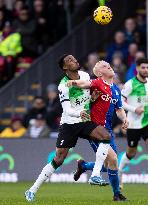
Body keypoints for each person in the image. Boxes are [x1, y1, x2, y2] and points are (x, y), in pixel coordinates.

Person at [25, 55, 112, 202]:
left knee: (106, 136)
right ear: (65, 67)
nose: (75, 60)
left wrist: (92, 99)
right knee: (59, 159)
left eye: (74, 58)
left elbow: (86, 95)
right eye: (70, 60)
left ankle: (95, 175)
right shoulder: (63, 86)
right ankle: (32, 189)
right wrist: (80, 112)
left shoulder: (84, 75)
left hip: (84, 121)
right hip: (69, 124)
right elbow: (67, 109)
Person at [67, 60, 128, 201]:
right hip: (95, 129)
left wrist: (124, 118)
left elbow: (119, 109)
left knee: (111, 165)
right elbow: (85, 84)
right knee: (112, 159)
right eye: (105, 66)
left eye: (109, 65)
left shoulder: (116, 89)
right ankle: (117, 194)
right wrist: (73, 83)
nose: (110, 67)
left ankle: (84, 166)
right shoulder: (98, 82)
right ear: (100, 72)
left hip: (108, 131)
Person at [118, 58, 148, 191]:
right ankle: (119, 172)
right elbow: (120, 102)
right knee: (131, 153)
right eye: (143, 68)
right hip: (133, 124)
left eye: (147, 68)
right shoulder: (130, 84)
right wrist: (134, 109)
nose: (146, 70)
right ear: (137, 68)